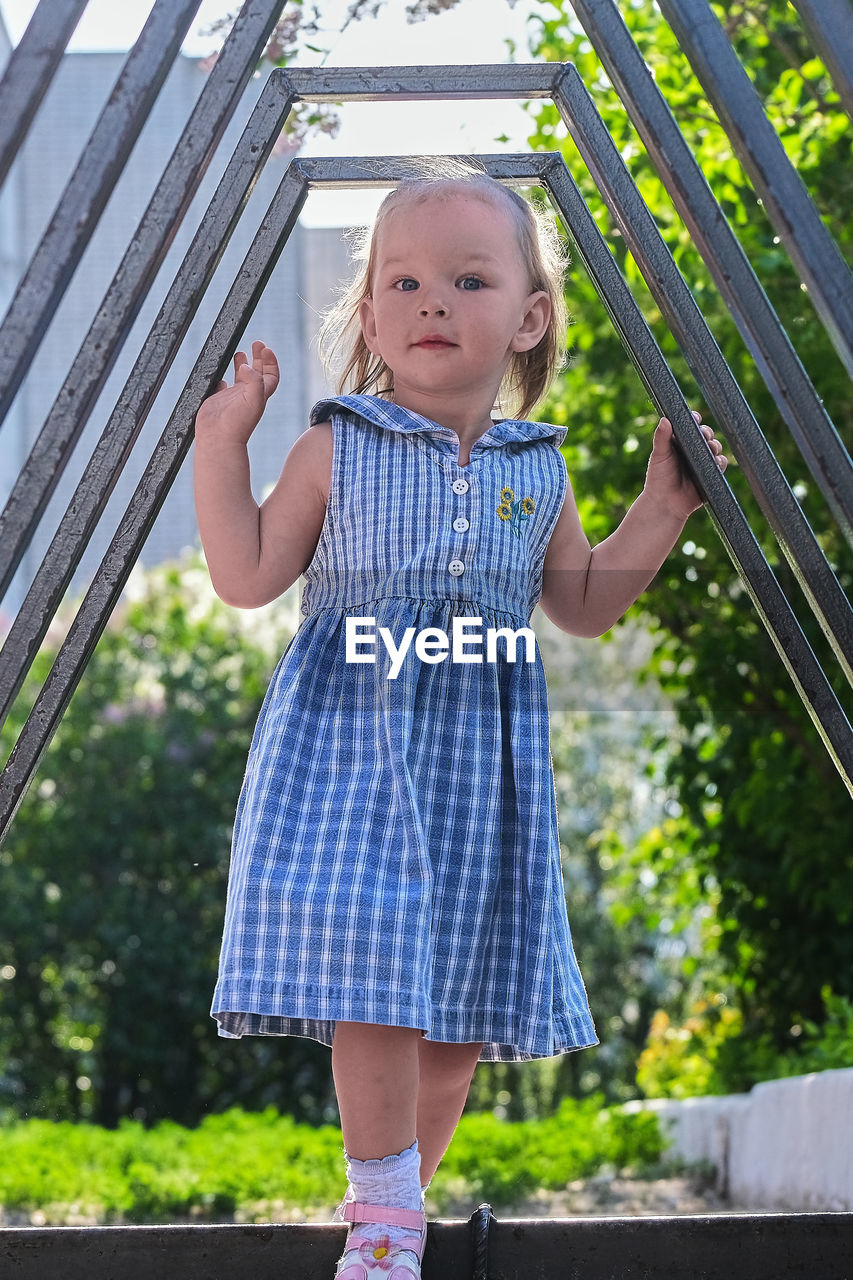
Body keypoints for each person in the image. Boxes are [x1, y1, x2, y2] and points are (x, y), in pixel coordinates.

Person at [193, 157, 728, 1279]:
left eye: (470, 279)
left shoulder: (538, 469)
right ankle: (387, 1218)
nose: (432, 301)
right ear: (372, 318)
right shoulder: (334, 444)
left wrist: (659, 508)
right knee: (372, 974)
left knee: (454, 1019)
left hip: (480, 768)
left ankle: (394, 1208)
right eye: (405, 282)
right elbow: (245, 573)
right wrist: (222, 444)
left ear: (529, 318)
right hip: (349, 753)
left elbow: (579, 603)